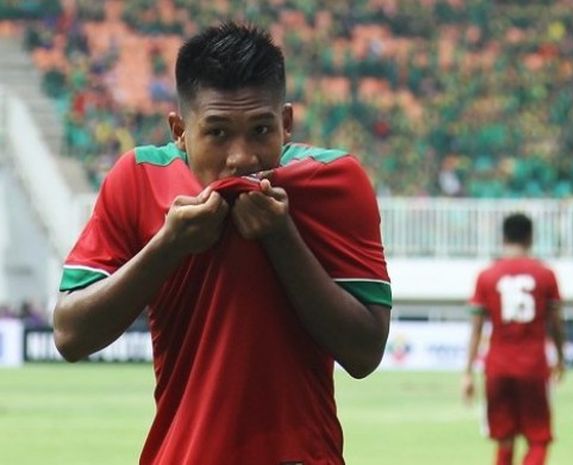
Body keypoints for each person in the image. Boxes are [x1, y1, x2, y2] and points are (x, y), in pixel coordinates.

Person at [52, 22, 392, 465]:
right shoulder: (138, 179)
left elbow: (365, 353)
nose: (241, 157)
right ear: (179, 129)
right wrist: (167, 246)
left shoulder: (334, 183)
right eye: (216, 133)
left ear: (285, 123)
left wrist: (281, 235)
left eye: (260, 131)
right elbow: (70, 335)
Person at [462, 213, 565, 465]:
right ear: (531, 237)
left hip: (497, 367)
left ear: (503, 237)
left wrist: (467, 372)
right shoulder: (545, 275)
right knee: (538, 439)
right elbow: (556, 324)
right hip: (533, 366)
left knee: (504, 439)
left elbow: (476, 329)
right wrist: (561, 358)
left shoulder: (487, 276)